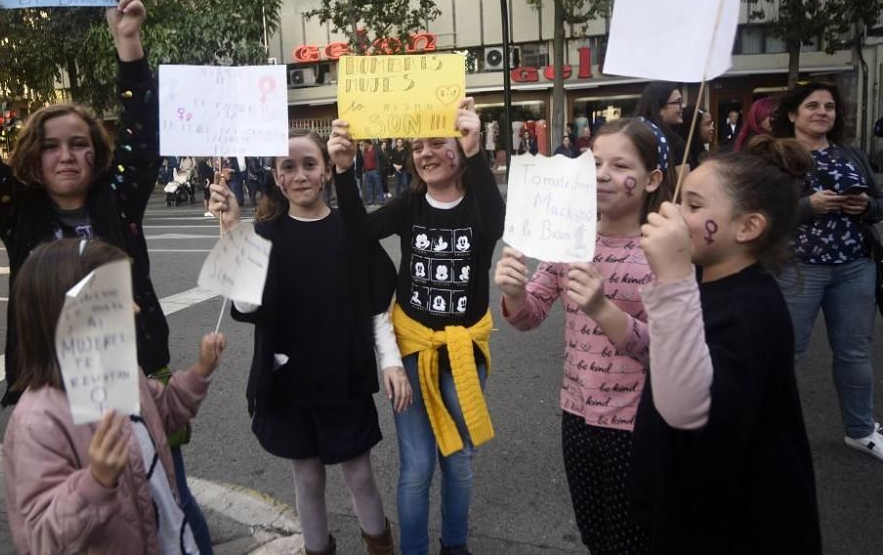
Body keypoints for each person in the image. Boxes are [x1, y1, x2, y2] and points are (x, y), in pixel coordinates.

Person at [0, 0, 215, 551]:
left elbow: (145, 136)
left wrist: (129, 42)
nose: (66, 154)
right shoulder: (17, 209)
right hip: (51, 386)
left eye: (78, 143)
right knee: (87, 510)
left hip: (136, 373)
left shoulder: (118, 197)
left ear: (96, 152)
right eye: (50, 146)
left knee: (169, 496)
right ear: (32, 159)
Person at [211, 131, 410, 555]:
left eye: (309, 164)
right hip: (288, 380)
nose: (299, 174)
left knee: (359, 474)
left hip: (344, 376)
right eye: (288, 166)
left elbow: (375, 303)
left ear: (325, 171)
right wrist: (230, 229)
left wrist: (389, 360)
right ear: (277, 178)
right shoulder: (263, 233)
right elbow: (247, 303)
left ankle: (381, 547)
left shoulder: (351, 228)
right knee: (306, 478)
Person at [328, 98, 506, 555]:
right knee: (416, 466)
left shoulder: (479, 210)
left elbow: (497, 220)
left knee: (460, 459)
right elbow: (358, 233)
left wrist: (475, 150)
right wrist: (344, 172)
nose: (425, 153)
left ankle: (455, 545)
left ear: (458, 149)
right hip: (412, 351)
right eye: (416, 145)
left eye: (436, 143)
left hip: (463, 353)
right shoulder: (408, 205)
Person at [633, 136, 821, 552]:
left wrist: (673, 277)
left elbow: (687, 409)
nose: (674, 214)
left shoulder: (751, 308)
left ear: (748, 226)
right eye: (680, 201)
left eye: (694, 206)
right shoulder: (707, 283)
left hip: (737, 527)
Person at [495, 118, 673, 554]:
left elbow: (669, 353)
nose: (602, 176)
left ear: (651, 179)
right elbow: (530, 316)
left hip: (639, 424)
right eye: (594, 163)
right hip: (576, 415)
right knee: (595, 537)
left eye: (619, 165)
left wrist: (602, 309)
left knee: (632, 541)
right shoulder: (571, 238)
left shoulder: (665, 250)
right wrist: (515, 293)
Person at [2, 238, 226, 554]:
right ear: (66, 313)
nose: (134, 308)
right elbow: (41, 539)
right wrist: (96, 482)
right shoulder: (38, 421)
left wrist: (200, 371)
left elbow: (165, 415)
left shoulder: (120, 370)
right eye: (115, 296)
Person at [770, 81, 883, 460]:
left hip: (855, 266)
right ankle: (766, 431)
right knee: (786, 351)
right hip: (799, 268)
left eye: (829, 107)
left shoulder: (850, 154)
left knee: (855, 352)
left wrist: (866, 206)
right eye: (813, 106)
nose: (822, 112)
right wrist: (809, 206)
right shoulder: (778, 155)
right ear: (792, 114)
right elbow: (762, 212)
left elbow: (879, 203)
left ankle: (861, 429)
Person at [633, 82, 686, 173]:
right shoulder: (674, 142)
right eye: (678, 102)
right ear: (659, 109)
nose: (683, 106)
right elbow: (681, 182)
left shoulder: (632, 133)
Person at [361, 139, 384, 205]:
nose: (363, 145)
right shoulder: (364, 150)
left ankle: (381, 200)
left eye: (364, 144)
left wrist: (379, 167)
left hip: (375, 171)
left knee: (378, 186)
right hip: (367, 171)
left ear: (367, 143)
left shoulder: (376, 149)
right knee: (368, 187)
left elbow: (382, 158)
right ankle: (370, 200)